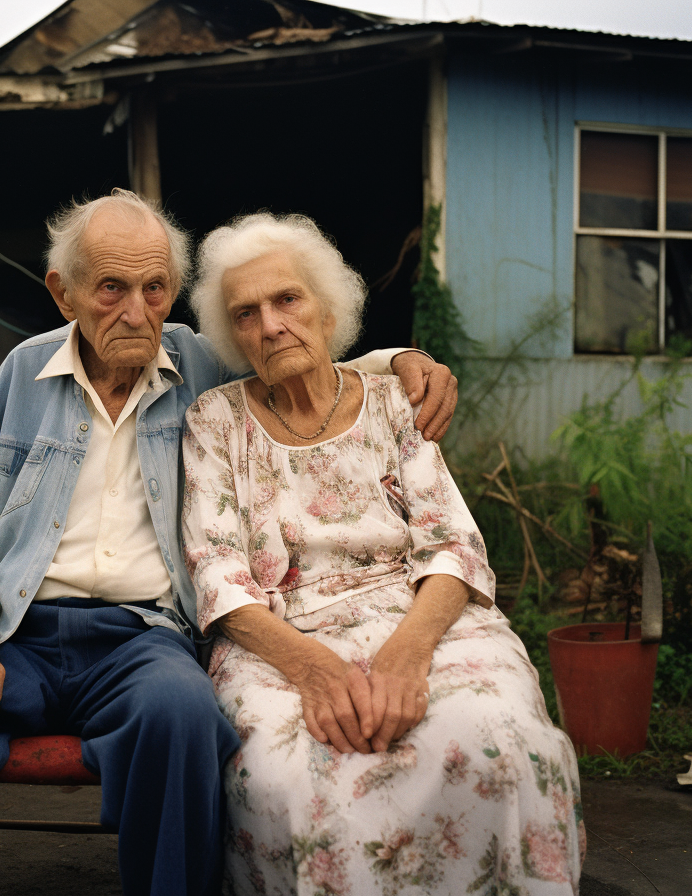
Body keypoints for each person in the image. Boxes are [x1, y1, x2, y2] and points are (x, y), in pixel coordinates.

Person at [0, 190, 460, 896]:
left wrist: (402, 359)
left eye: (155, 288)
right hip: (10, 637)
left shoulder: (203, 368)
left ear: (173, 292)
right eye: (111, 289)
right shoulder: (19, 380)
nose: (136, 311)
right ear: (64, 294)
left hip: (141, 640)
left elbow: (297, 357)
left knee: (181, 714)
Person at [181, 212, 583, 896]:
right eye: (245, 314)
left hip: (422, 617)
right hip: (281, 639)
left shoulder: (397, 401)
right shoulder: (214, 420)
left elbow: (450, 541)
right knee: (286, 770)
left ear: (327, 308)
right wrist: (315, 669)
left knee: (502, 737)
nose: (271, 324)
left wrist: (405, 655)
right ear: (232, 335)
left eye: (287, 299)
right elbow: (217, 575)